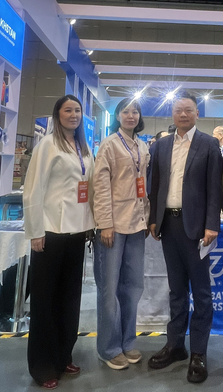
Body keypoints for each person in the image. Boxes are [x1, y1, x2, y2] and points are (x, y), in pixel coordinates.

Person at [148, 92, 223, 384]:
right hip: (169, 225)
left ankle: (199, 352)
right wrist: (154, 218)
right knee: (176, 290)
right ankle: (175, 345)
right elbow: (155, 185)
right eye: (178, 110)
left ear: (197, 113)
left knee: (202, 293)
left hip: (197, 229)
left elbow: (215, 188)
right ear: (172, 113)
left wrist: (211, 224)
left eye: (188, 110)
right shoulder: (162, 145)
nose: (183, 114)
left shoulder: (209, 144)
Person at [23, 94, 95, 390]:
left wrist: (90, 224)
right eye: (68, 110)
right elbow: (33, 188)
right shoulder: (48, 145)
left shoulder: (83, 147)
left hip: (76, 233)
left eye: (77, 110)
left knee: (69, 298)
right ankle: (42, 365)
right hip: (50, 232)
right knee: (45, 300)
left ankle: (64, 355)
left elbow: (87, 189)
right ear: (58, 114)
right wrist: (35, 231)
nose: (73, 114)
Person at [92, 98, 150, 370]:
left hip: (137, 225)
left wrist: (146, 218)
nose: (130, 115)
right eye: (125, 111)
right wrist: (105, 223)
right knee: (109, 289)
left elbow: (143, 186)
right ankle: (109, 348)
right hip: (113, 226)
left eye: (135, 111)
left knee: (133, 287)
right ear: (117, 116)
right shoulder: (109, 145)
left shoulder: (142, 146)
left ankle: (128, 342)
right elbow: (101, 186)